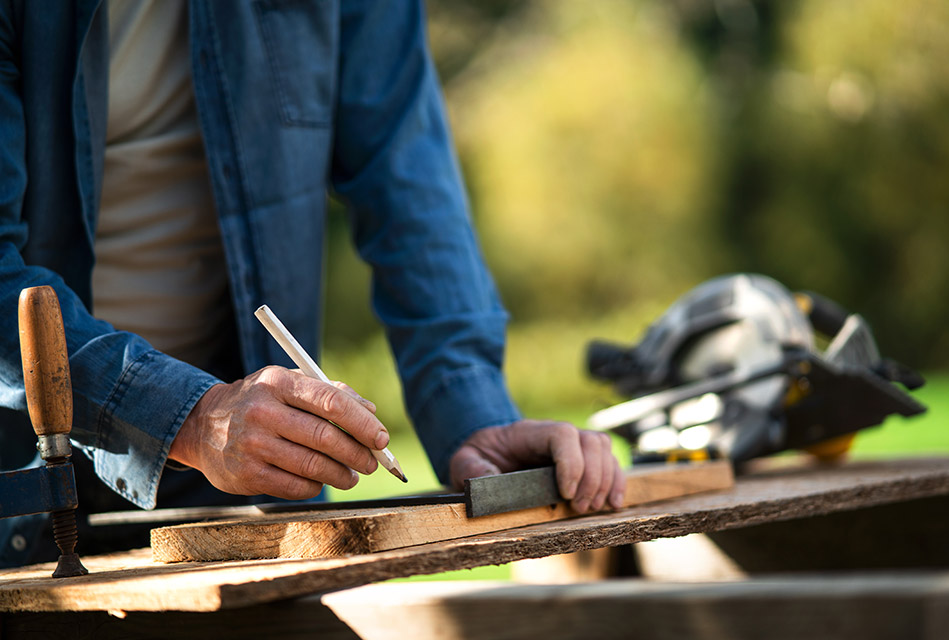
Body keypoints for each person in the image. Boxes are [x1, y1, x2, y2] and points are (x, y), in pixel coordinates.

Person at [0, 0, 623, 566]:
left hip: (251, 466)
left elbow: (407, 180)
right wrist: (186, 417)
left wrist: (474, 416)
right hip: (25, 479)